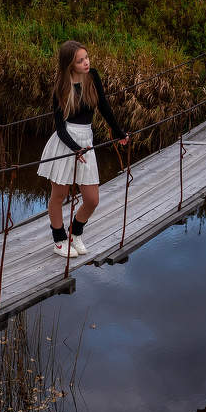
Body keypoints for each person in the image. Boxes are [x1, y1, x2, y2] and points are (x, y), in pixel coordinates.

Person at [37, 41, 129, 258]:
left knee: (92, 199)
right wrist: (75, 149)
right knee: (59, 195)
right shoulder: (61, 87)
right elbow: (60, 128)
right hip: (67, 142)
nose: (86, 62)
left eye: (86, 57)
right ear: (70, 64)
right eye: (80, 60)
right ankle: (59, 240)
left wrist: (118, 132)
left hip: (87, 141)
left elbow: (104, 107)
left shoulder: (92, 77)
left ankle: (74, 233)